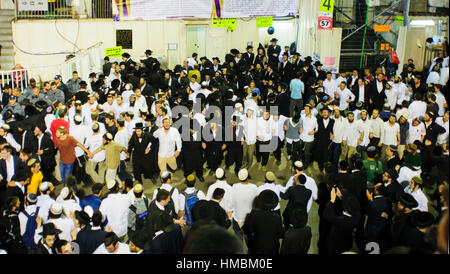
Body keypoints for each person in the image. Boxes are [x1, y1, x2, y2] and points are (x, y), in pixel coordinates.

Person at [242, 190, 284, 254]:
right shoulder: (277, 217)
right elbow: (280, 234)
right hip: (272, 248)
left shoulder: (253, 214)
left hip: (257, 246)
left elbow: (247, 231)